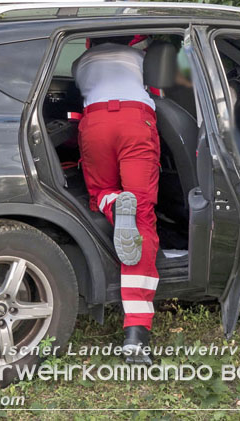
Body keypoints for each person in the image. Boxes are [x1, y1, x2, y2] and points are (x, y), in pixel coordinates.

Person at [72, 36, 160, 365]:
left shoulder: (82, 63)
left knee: (99, 191)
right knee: (142, 216)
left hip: (96, 122)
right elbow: (160, 89)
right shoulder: (138, 56)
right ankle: (136, 334)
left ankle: (112, 204)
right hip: (135, 120)